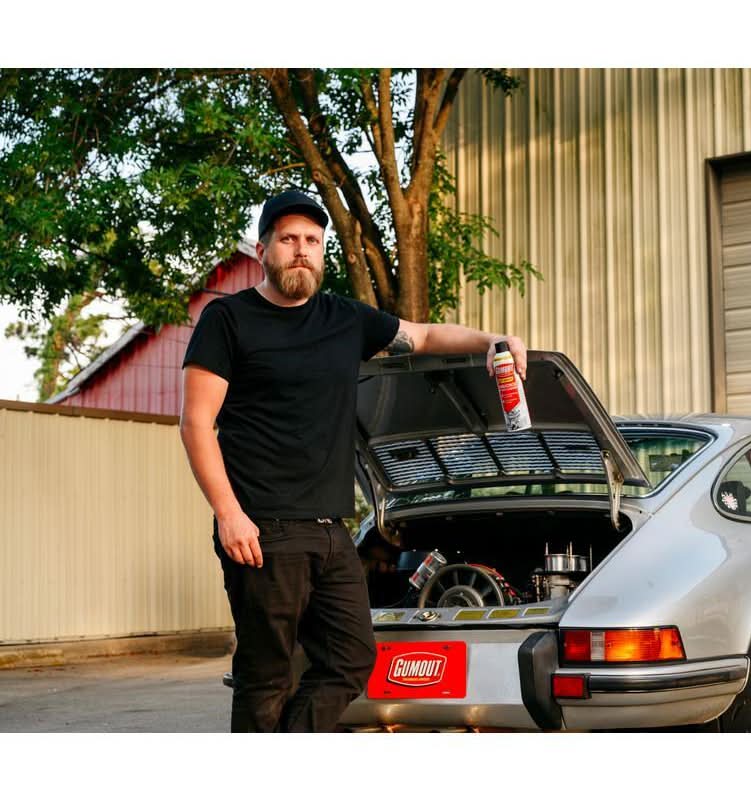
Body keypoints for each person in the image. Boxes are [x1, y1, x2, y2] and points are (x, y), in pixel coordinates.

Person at [179, 189, 527, 732]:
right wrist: (229, 514)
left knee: (352, 656)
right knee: (267, 676)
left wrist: (492, 340)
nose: (301, 249)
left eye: (312, 240)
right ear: (263, 249)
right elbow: (196, 422)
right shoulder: (228, 319)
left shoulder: (344, 318)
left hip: (331, 528)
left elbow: (424, 335)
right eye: (288, 239)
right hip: (262, 528)